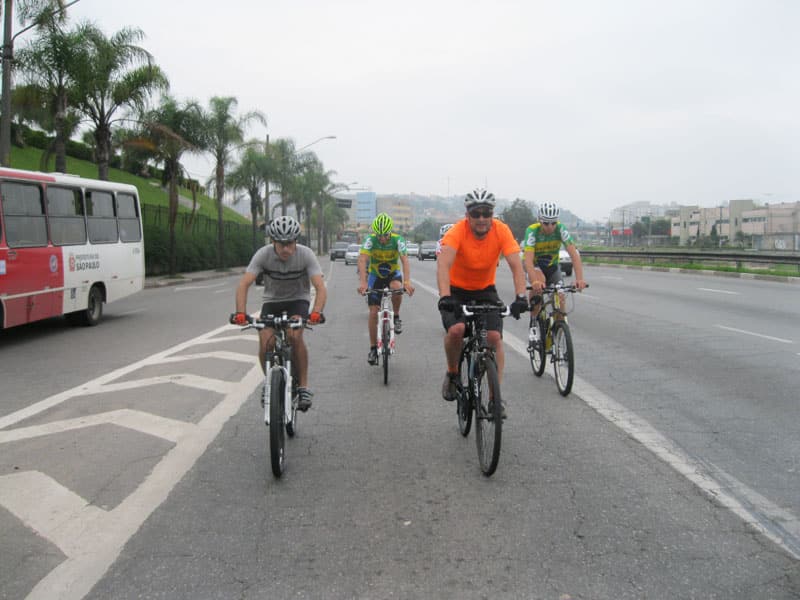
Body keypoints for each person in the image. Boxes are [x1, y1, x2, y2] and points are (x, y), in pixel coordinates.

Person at [437, 189, 528, 416]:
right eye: (475, 213)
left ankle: (495, 399)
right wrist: (445, 297)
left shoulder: (501, 230)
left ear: (492, 215)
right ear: (467, 215)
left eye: (486, 213)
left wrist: (521, 297)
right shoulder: (457, 232)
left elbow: (517, 266)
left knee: (494, 337)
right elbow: (443, 265)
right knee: (457, 330)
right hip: (456, 290)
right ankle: (452, 373)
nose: (481, 218)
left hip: (485, 290)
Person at [231, 215, 327, 412]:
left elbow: (320, 287)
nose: (286, 249)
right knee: (265, 340)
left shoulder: (306, 254)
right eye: (281, 244)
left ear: (296, 241)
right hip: (272, 302)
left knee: (294, 335)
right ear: (272, 241)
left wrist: (316, 313)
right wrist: (240, 313)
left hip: (298, 300)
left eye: (290, 243)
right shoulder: (263, 254)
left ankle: (303, 387)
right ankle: (269, 382)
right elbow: (244, 284)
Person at [357, 213, 415, 365]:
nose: (382, 238)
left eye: (385, 235)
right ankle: (373, 349)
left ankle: (396, 317)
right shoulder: (370, 240)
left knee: (397, 287)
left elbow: (405, 260)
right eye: (379, 236)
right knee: (373, 312)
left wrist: (407, 282)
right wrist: (363, 283)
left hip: (392, 274)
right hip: (375, 275)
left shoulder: (398, 239)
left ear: (390, 232)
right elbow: (362, 259)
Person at [522, 201, 587, 325]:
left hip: (552, 266)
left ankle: (559, 329)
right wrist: (534, 281)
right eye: (546, 223)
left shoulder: (560, 229)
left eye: (553, 223)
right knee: (539, 283)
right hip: (535, 266)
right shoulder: (532, 231)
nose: (550, 226)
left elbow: (574, 255)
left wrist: (579, 279)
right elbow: (528, 259)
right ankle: (534, 322)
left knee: (560, 295)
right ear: (539, 220)